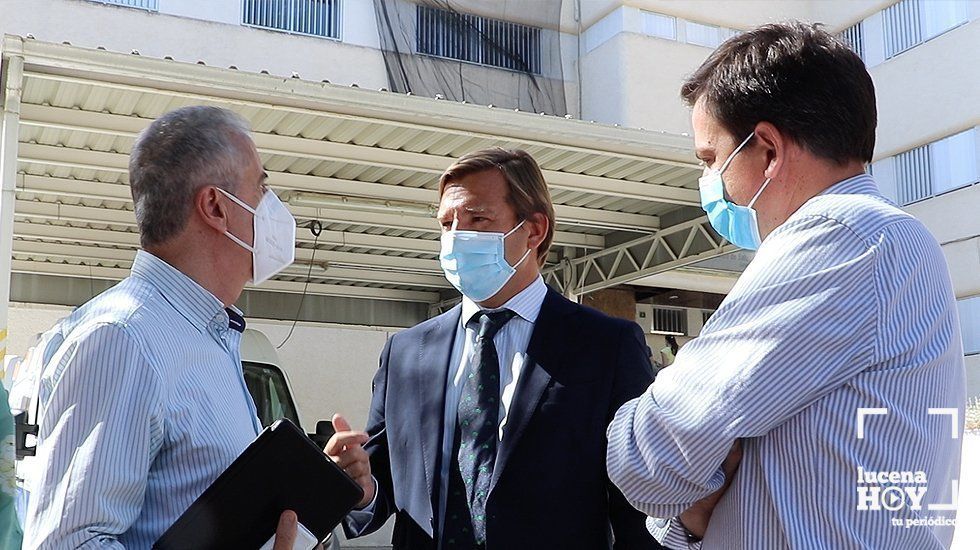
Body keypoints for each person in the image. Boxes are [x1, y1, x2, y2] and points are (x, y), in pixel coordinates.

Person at [606, 22, 965, 549]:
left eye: (710, 160)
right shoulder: (888, 239)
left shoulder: (838, 237)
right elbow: (691, 504)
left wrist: (679, 469)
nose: (709, 183)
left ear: (769, 150)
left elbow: (647, 456)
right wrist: (693, 500)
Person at [335, 148, 661, 549]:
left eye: (477, 219)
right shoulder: (406, 352)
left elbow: (640, 505)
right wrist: (359, 484)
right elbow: (383, 483)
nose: (456, 237)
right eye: (447, 223)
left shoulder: (605, 346)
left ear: (534, 230)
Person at [24, 106, 304, 548]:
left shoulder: (208, 334)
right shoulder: (122, 338)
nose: (272, 206)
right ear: (215, 206)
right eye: (261, 187)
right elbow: (69, 542)